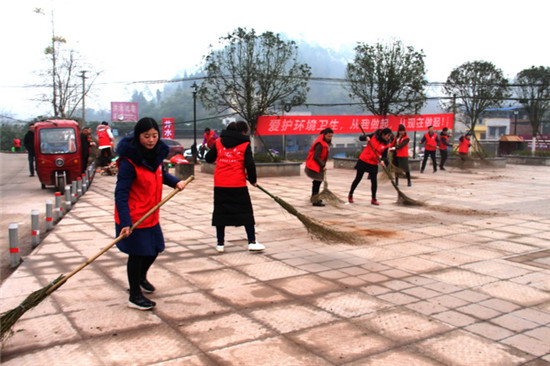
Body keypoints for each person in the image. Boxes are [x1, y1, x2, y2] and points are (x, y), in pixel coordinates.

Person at [115, 117, 188, 310]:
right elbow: (121, 193)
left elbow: (160, 174)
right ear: (138, 136)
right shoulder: (129, 161)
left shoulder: (154, 155)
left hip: (151, 214)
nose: (151, 140)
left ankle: (140, 277)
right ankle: (134, 295)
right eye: (146, 136)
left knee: (155, 249)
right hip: (133, 217)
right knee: (137, 254)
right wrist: (125, 222)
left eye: (154, 135)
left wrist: (175, 182)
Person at [205, 121, 265, 254]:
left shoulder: (219, 142)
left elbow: (208, 158)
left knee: (220, 213)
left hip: (220, 183)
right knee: (246, 213)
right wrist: (253, 180)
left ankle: (220, 244)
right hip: (237, 184)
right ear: (243, 132)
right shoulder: (245, 144)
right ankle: (252, 242)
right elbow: (250, 164)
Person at [348, 128, 393, 206]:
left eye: (389, 136)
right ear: (383, 134)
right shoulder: (374, 136)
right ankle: (350, 194)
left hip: (373, 162)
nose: (388, 138)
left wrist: (382, 160)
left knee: (374, 181)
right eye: (387, 136)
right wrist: (366, 138)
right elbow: (361, 137)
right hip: (364, 159)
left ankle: (373, 198)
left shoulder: (386, 144)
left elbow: (385, 156)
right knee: (358, 178)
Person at [304, 128, 334, 207]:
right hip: (315, 165)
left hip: (318, 165)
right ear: (324, 135)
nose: (330, 138)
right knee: (317, 182)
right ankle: (315, 201)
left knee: (316, 182)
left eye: (331, 136)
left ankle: (314, 198)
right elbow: (316, 156)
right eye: (328, 136)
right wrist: (323, 165)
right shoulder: (320, 144)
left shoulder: (324, 142)